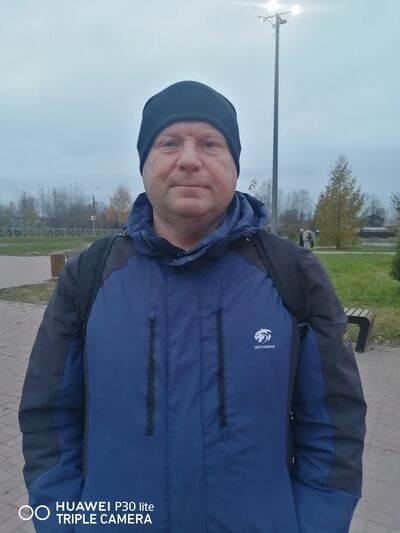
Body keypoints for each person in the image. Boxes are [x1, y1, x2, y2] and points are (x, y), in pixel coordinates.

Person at [19, 80, 366, 533]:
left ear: (234, 164)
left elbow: (335, 423)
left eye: (209, 143)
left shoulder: (294, 275)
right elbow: (48, 418)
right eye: (168, 143)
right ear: (144, 163)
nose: (188, 159)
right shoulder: (88, 276)